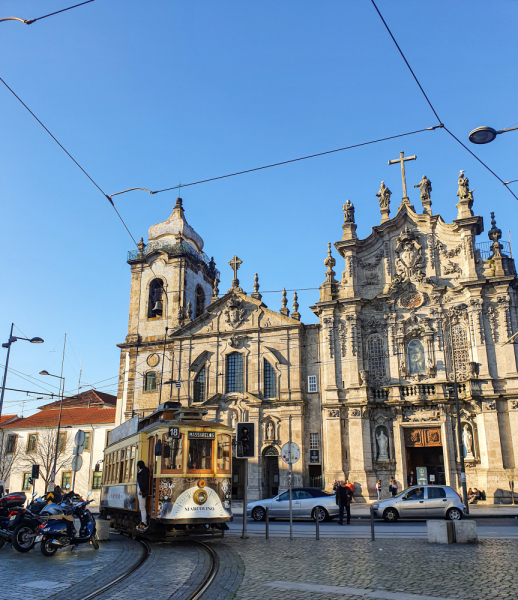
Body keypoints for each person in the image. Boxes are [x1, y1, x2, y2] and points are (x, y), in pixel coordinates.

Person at [136, 460, 150, 529]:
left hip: (142, 493)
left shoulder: (143, 473)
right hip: (141, 492)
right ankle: (143, 521)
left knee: (142, 507)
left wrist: (141, 490)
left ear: (138, 467)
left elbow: (145, 483)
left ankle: (144, 521)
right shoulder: (142, 472)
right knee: (142, 507)